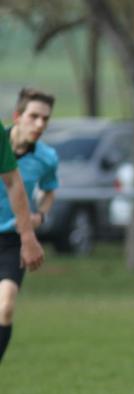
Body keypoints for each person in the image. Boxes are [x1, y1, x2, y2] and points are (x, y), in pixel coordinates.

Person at [0, 88, 54, 363]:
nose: (40, 124)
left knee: (6, 307)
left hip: (12, 238)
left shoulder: (46, 158)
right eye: (34, 116)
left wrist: (39, 216)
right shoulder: (1, 140)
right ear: (17, 116)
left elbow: (48, 190)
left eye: (45, 119)